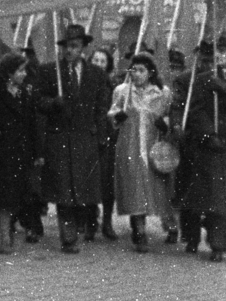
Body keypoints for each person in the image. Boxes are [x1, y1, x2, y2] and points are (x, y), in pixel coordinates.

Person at [170, 31, 226, 260]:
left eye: (223, 51)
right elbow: (196, 110)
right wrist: (208, 134)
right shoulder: (204, 79)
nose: (219, 55)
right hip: (213, 144)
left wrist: (225, 88)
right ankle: (217, 238)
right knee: (214, 193)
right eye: (217, 51)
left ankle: (221, 230)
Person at [37, 23, 112, 253]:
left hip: (85, 139)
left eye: (75, 46)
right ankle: (68, 236)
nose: (70, 50)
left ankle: (79, 225)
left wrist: (101, 135)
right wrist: (53, 103)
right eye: (67, 46)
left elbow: (102, 107)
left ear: (83, 48)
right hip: (59, 139)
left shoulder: (97, 74)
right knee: (63, 189)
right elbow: (38, 102)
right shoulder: (50, 71)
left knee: (82, 189)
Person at [0, 52, 44, 253]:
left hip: (22, 152)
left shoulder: (25, 93)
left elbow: (33, 124)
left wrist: (38, 153)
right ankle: (5, 237)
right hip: (1, 153)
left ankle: (21, 227)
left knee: (22, 195)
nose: (24, 74)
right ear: (8, 73)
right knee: (4, 198)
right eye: (20, 70)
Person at [108, 51, 172, 252]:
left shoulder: (162, 93)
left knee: (153, 186)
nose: (136, 74)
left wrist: (165, 124)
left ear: (150, 72)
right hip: (130, 145)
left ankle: (170, 224)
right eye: (133, 70)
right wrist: (118, 115)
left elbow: (170, 115)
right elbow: (112, 114)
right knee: (134, 187)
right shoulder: (122, 91)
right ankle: (139, 230)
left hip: (153, 146)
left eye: (141, 70)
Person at [85, 45, 120, 241]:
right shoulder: (83, 84)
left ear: (108, 65)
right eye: (95, 60)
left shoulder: (114, 87)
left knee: (108, 183)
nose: (98, 64)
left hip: (109, 139)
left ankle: (107, 221)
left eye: (102, 61)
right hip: (89, 138)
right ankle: (91, 222)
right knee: (90, 182)